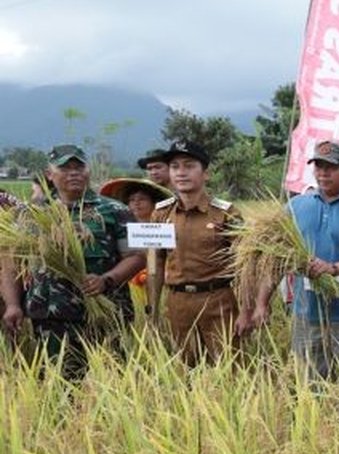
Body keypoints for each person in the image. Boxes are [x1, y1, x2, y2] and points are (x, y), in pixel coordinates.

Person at [0, 144, 144, 380]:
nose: (74, 173)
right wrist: (13, 304)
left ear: (88, 171)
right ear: (49, 175)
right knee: (58, 386)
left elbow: (137, 256)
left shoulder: (115, 211)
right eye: (65, 168)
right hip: (50, 318)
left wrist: (108, 279)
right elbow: (10, 262)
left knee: (109, 384)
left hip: (104, 317)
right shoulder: (31, 214)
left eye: (79, 167)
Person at [253, 141, 339, 379]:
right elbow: (277, 259)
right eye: (319, 166)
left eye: (331, 167)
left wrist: (332, 269)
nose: (323, 173)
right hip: (307, 316)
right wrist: (262, 303)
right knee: (309, 389)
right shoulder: (295, 207)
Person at [147, 141, 247, 365]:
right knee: (185, 370)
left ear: (206, 174)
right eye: (175, 167)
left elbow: (245, 265)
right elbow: (155, 264)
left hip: (218, 301)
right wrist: (152, 311)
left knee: (230, 369)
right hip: (177, 303)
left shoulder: (226, 214)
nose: (181, 173)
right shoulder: (161, 213)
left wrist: (247, 309)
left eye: (189, 166)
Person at [98, 177, 174, 318]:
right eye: (132, 200)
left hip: (161, 292)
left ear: (154, 203)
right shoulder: (119, 231)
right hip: (128, 293)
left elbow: (160, 262)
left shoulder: (166, 229)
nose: (136, 203)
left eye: (142, 199)